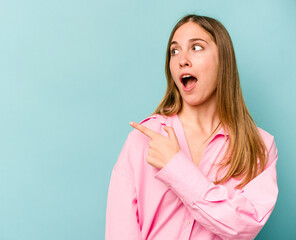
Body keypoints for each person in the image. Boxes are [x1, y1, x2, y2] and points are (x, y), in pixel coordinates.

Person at [105, 14, 278, 240]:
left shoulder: (259, 146)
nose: (182, 59)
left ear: (223, 60)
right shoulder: (144, 139)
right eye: (174, 51)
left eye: (196, 48)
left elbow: (244, 226)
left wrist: (176, 168)